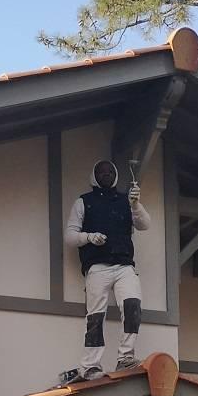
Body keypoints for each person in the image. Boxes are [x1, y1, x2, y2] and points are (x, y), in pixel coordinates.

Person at [63, 159, 152, 383]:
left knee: (132, 304)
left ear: (116, 175)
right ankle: (90, 364)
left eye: (110, 171)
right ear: (94, 175)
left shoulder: (126, 201)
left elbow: (145, 224)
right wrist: (89, 237)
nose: (106, 174)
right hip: (97, 266)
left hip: (124, 265)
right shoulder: (84, 202)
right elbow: (70, 236)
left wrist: (136, 205)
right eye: (101, 171)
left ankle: (125, 357)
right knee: (95, 315)